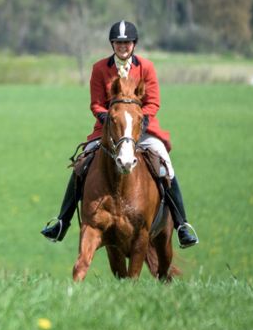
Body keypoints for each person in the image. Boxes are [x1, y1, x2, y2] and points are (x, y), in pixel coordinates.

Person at [40, 20, 199, 248]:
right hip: (109, 130)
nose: (122, 46)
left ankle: (182, 225)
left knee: (166, 165)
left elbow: (153, 102)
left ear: (134, 44)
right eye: (118, 42)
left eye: (126, 43)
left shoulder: (146, 67)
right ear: (112, 44)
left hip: (142, 129)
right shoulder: (99, 69)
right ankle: (62, 222)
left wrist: (140, 124)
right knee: (81, 165)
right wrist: (108, 120)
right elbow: (96, 103)